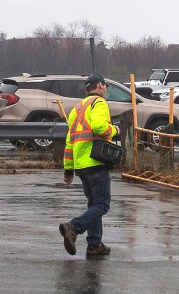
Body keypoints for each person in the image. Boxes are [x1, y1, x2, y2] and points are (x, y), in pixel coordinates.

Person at [59, 74, 119, 257]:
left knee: (94, 204)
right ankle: (74, 227)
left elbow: (70, 142)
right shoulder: (98, 103)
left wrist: (69, 169)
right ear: (99, 85)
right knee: (102, 204)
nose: (105, 89)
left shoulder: (77, 109)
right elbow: (101, 127)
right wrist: (115, 130)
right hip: (96, 161)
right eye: (105, 86)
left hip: (81, 165)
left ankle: (94, 244)